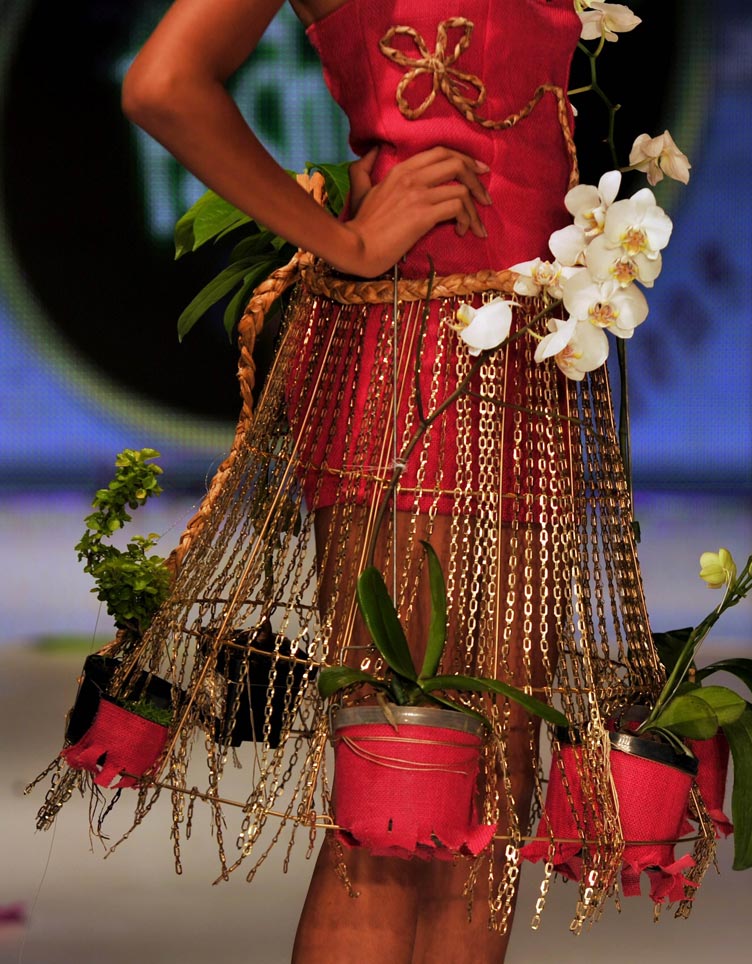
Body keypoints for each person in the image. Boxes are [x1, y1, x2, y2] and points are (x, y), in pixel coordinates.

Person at [123, 2, 647, 961]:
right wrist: (344, 236)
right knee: (407, 792)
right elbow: (164, 84)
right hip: (419, 366)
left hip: (520, 371)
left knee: (492, 787)